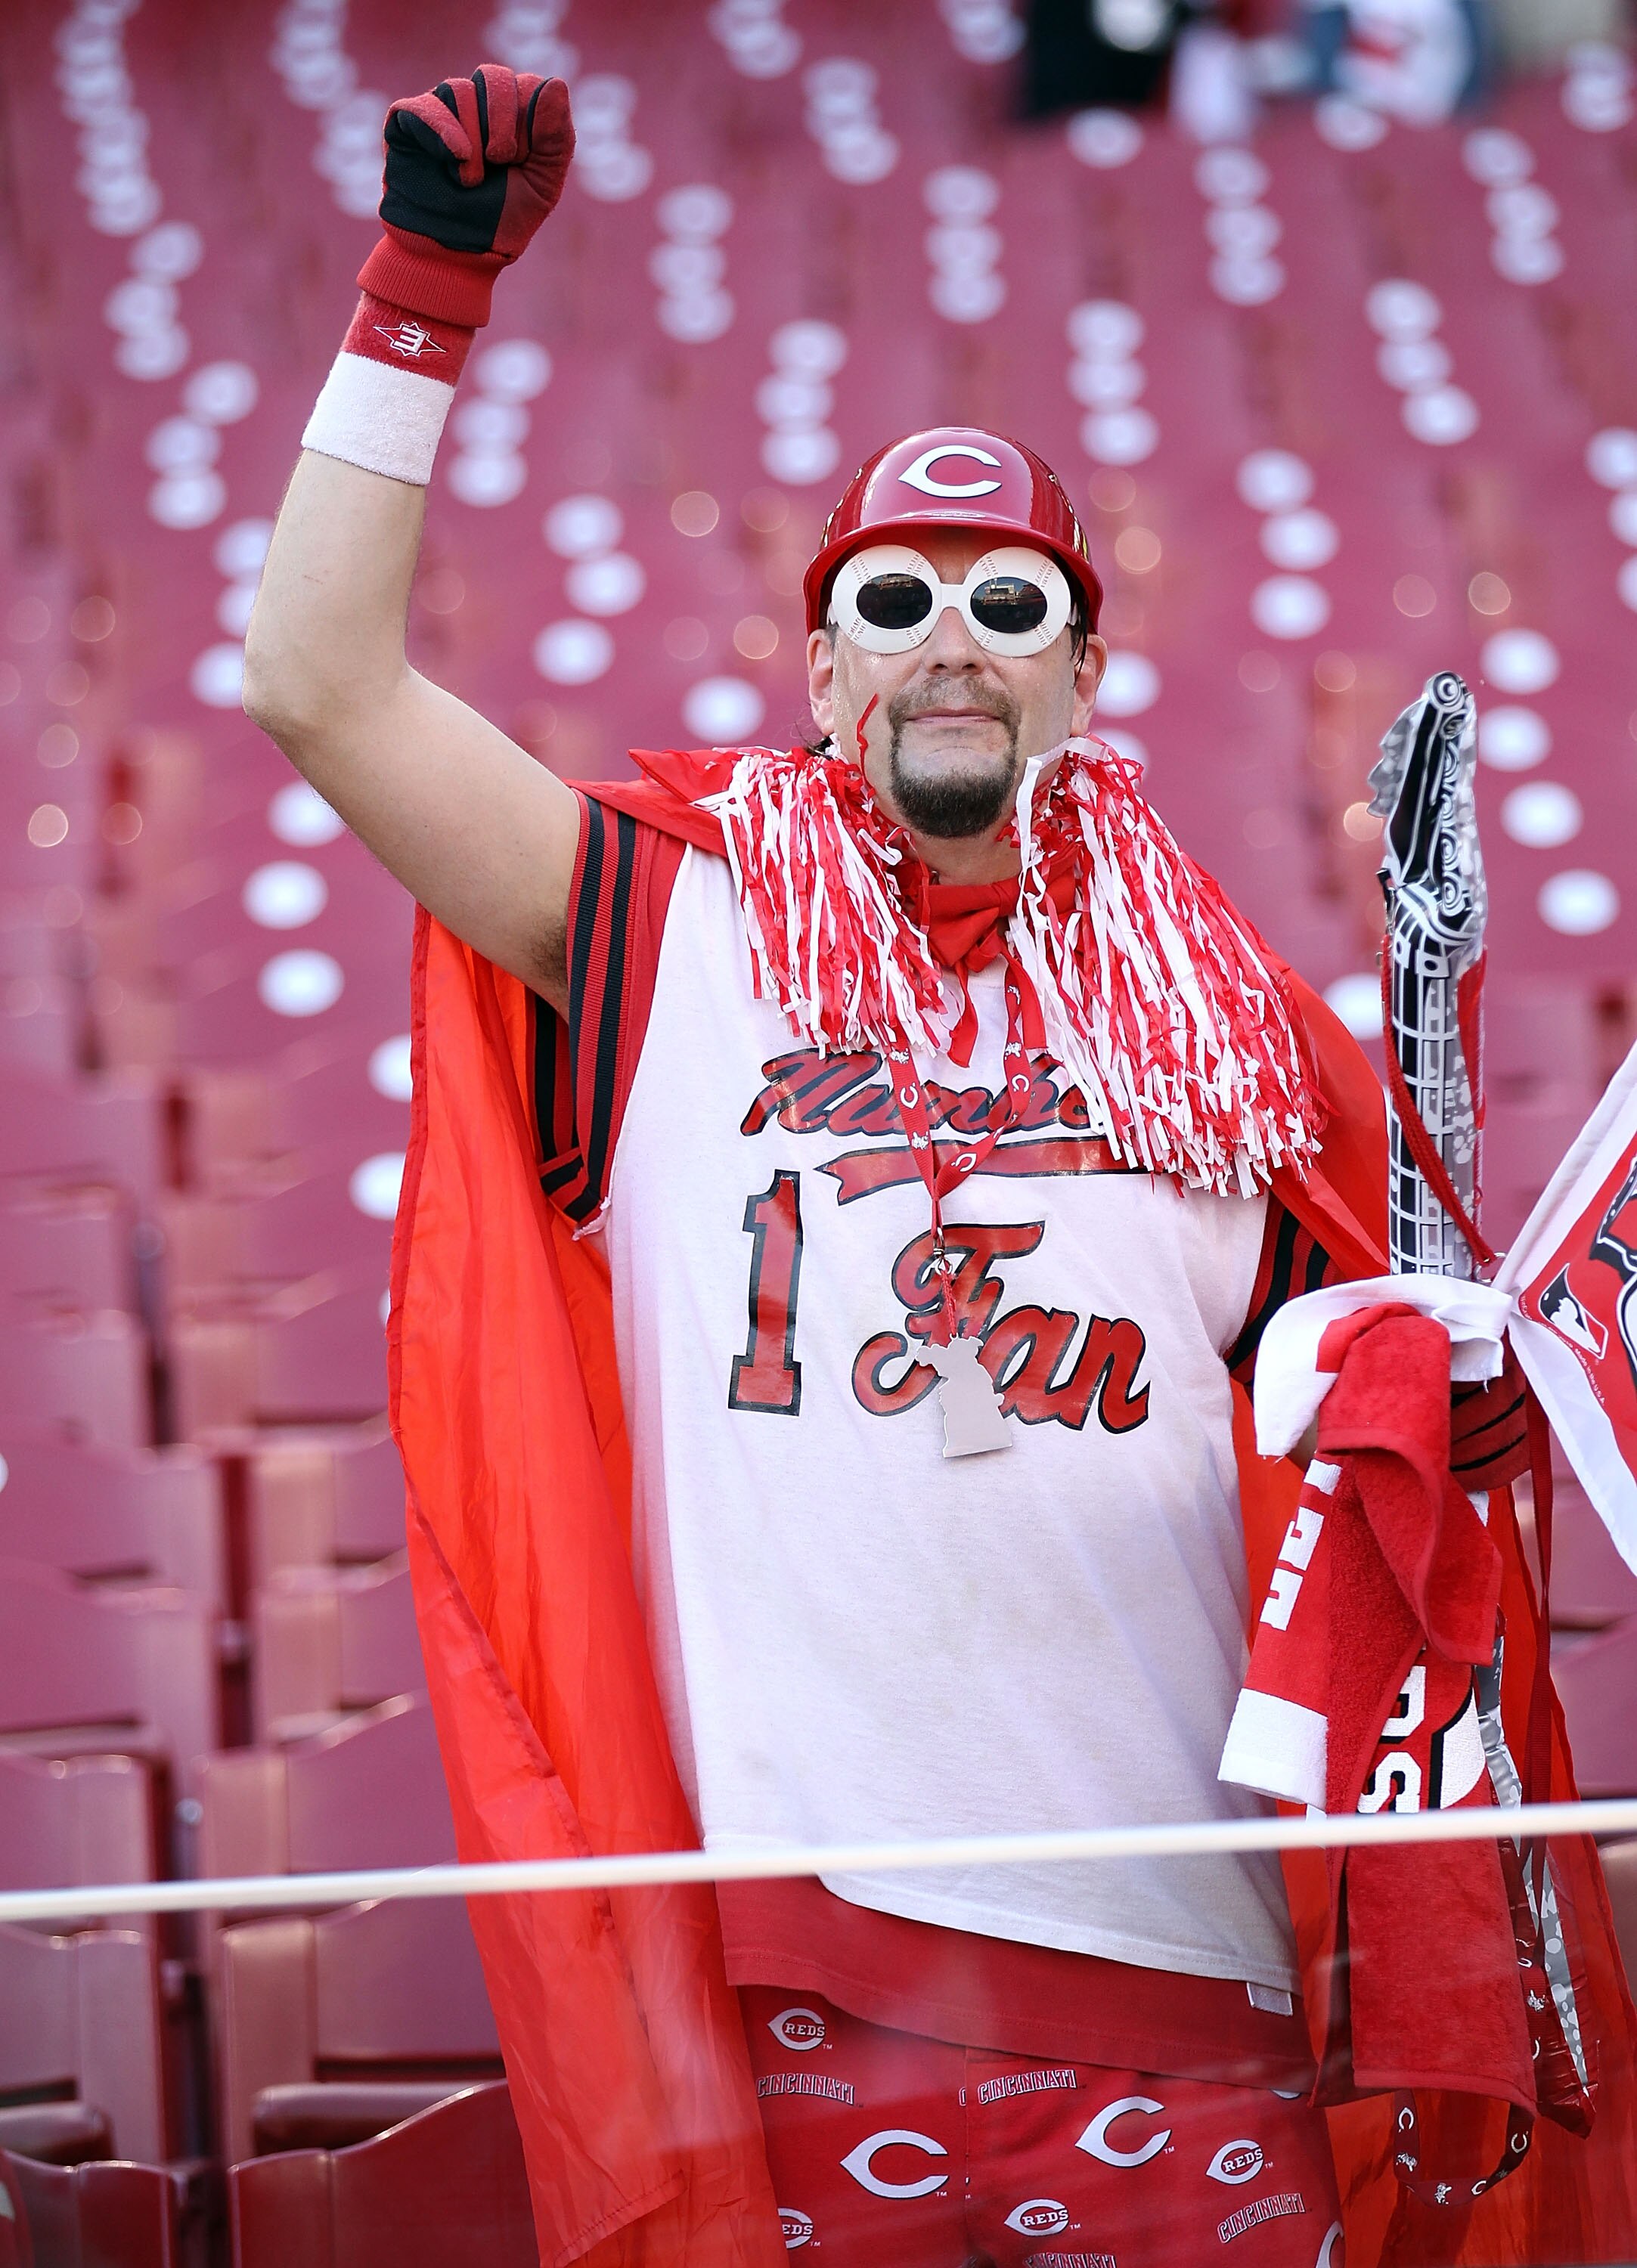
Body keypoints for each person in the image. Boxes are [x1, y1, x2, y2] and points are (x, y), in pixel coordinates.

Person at [243, 67, 1635, 2268]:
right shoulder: (660, 919)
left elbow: (1339, 1444)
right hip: (817, 1936)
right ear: (821, 671)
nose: (952, 637)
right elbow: (315, 682)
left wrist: (1428, 1415)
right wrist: (422, 293)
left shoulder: (1241, 1020)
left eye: (1011, 600)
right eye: (895, 600)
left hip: (1195, 1940)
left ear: (1088, 667)